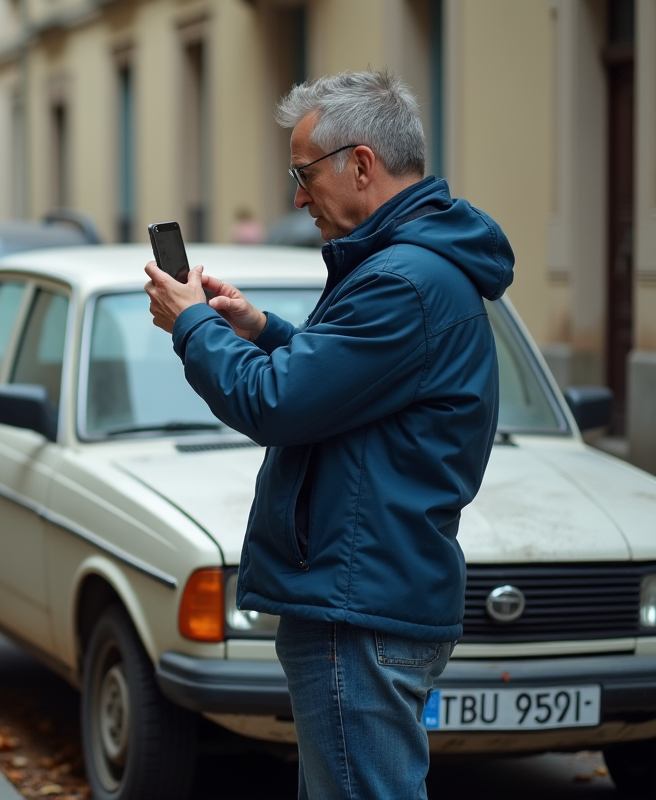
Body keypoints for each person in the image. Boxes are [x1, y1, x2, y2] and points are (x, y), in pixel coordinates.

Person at [144, 70, 514, 800]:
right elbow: (347, 386)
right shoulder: (411, 268)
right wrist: (257, 327)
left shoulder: (402, 281)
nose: (297, 196)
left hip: (358, 604)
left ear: (363, 165)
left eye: (303, 173)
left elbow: (275, 403)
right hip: (368, 592)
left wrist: (190, 326)